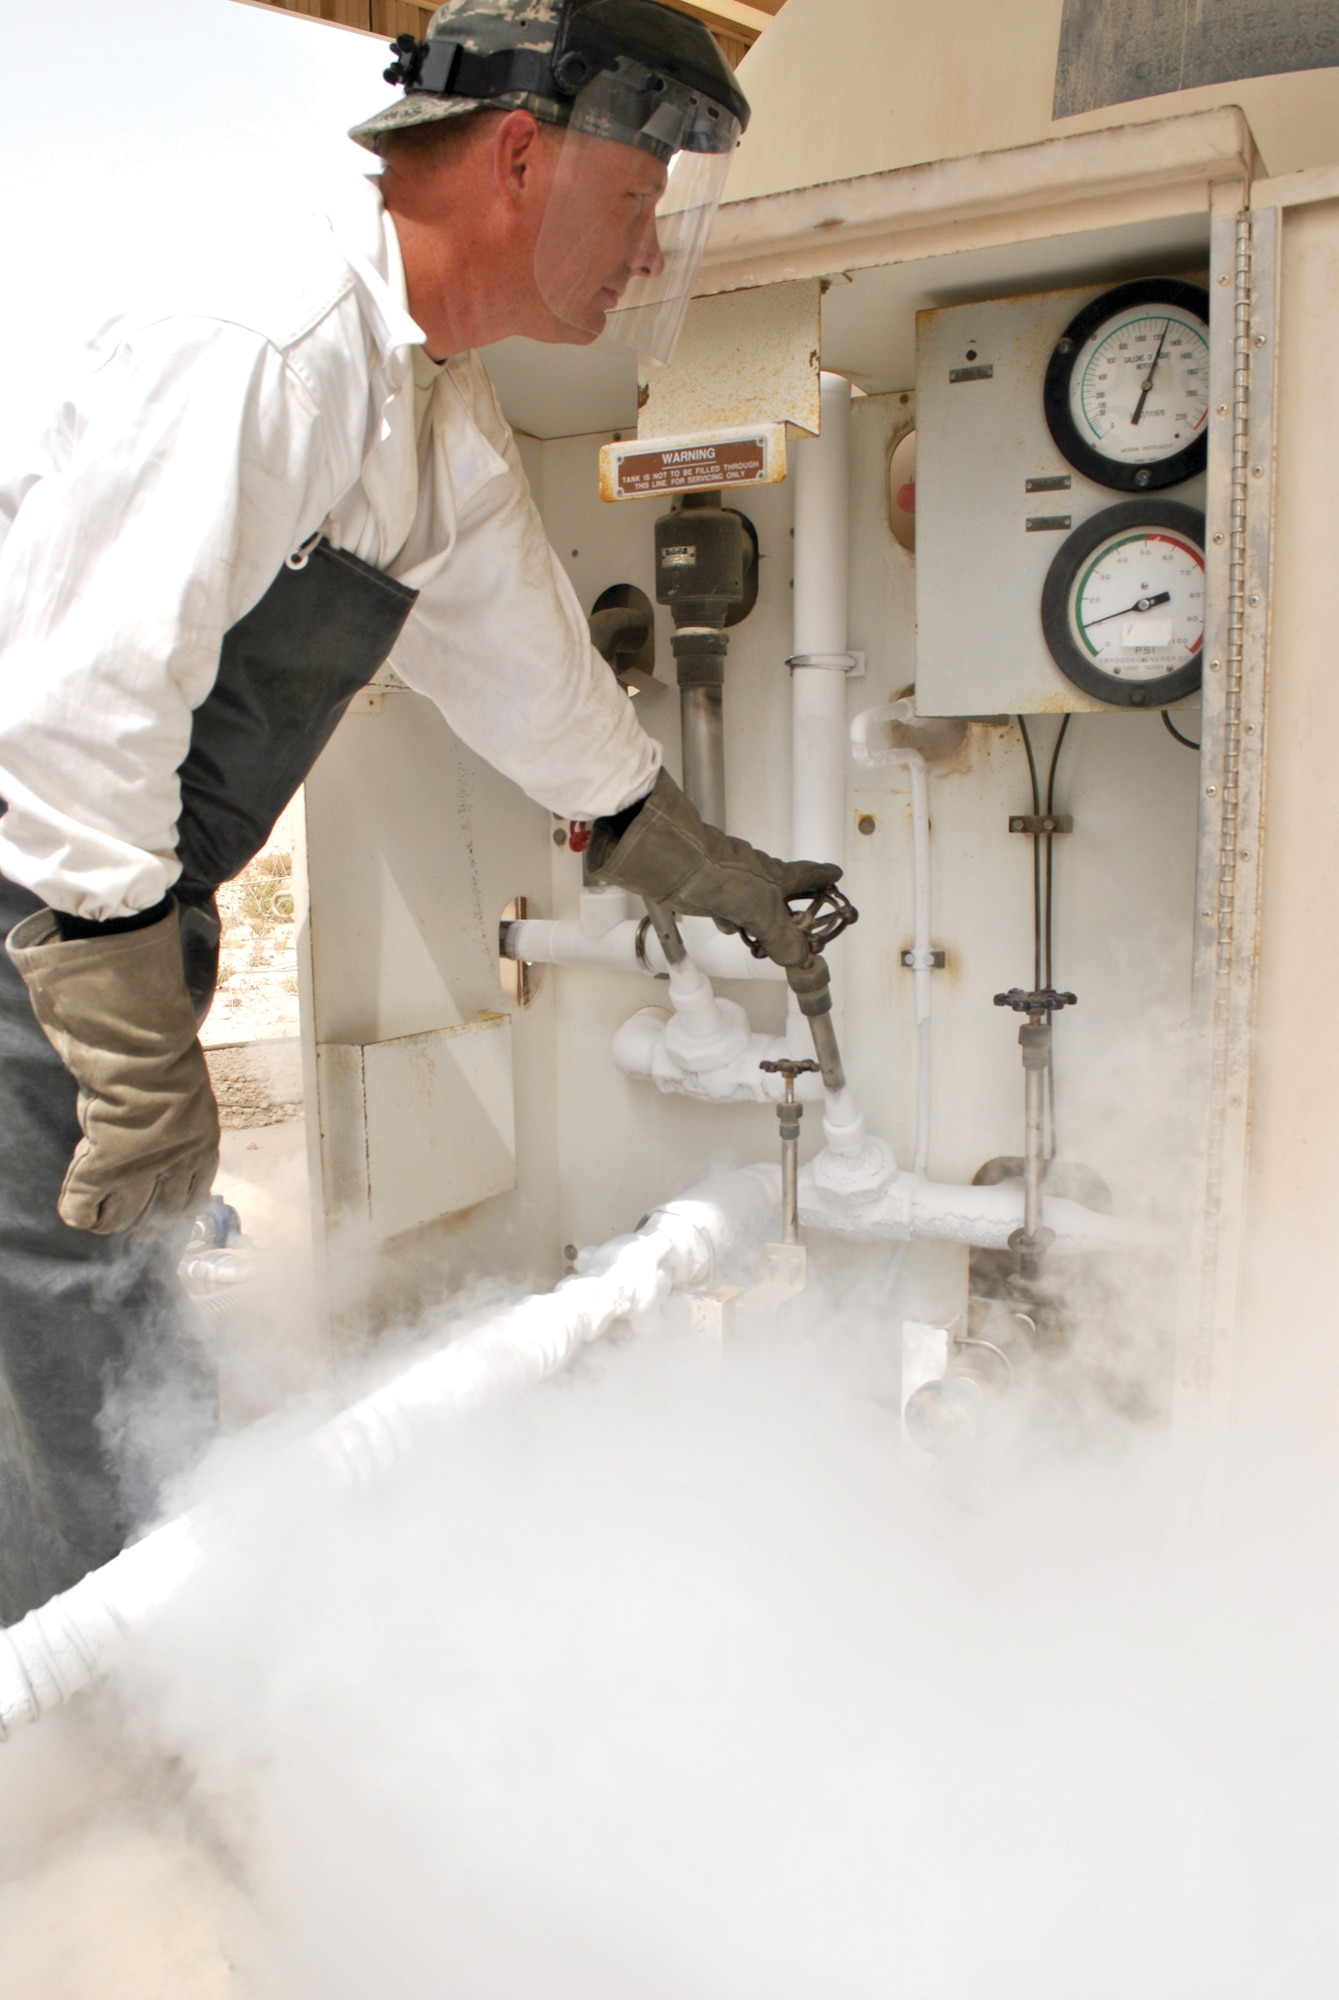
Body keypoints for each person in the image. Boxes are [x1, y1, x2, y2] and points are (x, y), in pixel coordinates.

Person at [0, 0, 839, 1622]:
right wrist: (120, 1034)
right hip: (39, 902)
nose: (647, 254)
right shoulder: (271, 339)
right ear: (520, 156)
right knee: (71, 1310)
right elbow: (73, 705)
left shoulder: (425, 403)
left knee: (105, 1304)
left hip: (110, 904)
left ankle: (144, 1644)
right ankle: (134, 1721)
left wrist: (691, 855)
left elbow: (526, 659)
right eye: (635, 201)